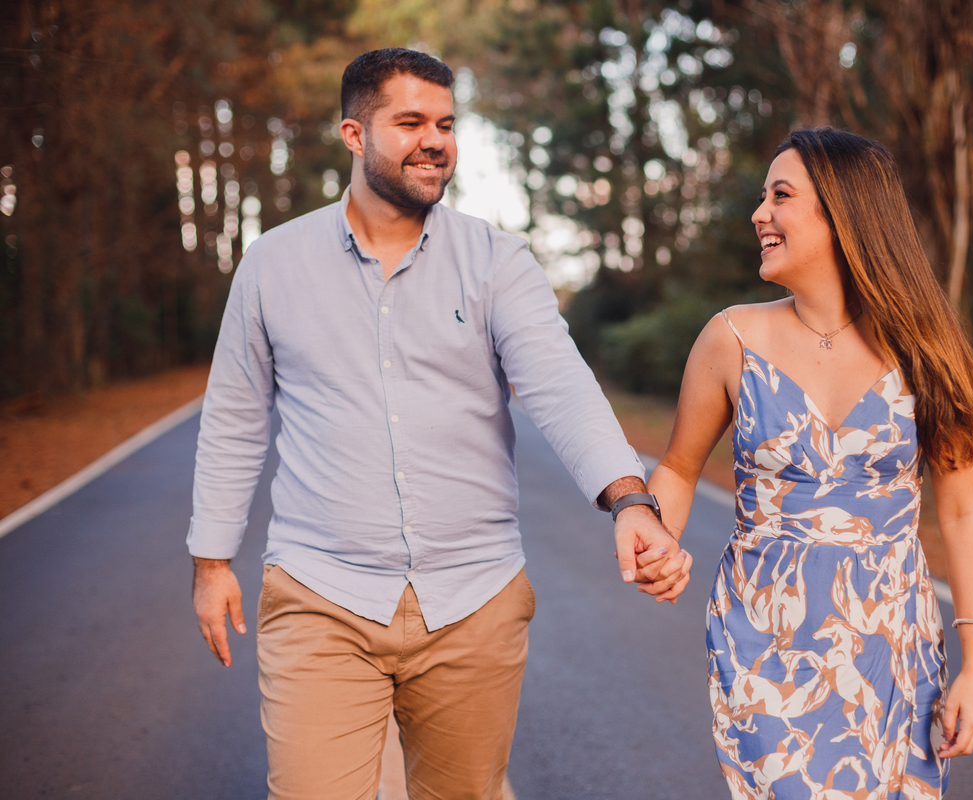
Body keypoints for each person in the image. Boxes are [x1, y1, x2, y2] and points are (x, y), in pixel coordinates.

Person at [187, 48, 691, 800]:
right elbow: (233, 417)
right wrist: (212, 560)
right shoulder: (272, 264)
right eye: (411, 122)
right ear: (355, 135)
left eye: (447, 124)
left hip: (474, 601)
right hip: (321, 595)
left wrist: (630, 499)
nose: (436, 140)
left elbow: (559, 385)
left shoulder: (497, 261)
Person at [647, 128, 973, 799]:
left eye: (780, 196)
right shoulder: (731, 339)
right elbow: (679, 468)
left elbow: (961, 508)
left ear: (844, 214)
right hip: (765, 641)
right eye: (762, 196)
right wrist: (654, 532)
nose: (759, 214)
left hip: (895, 645)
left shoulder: (928, 348)